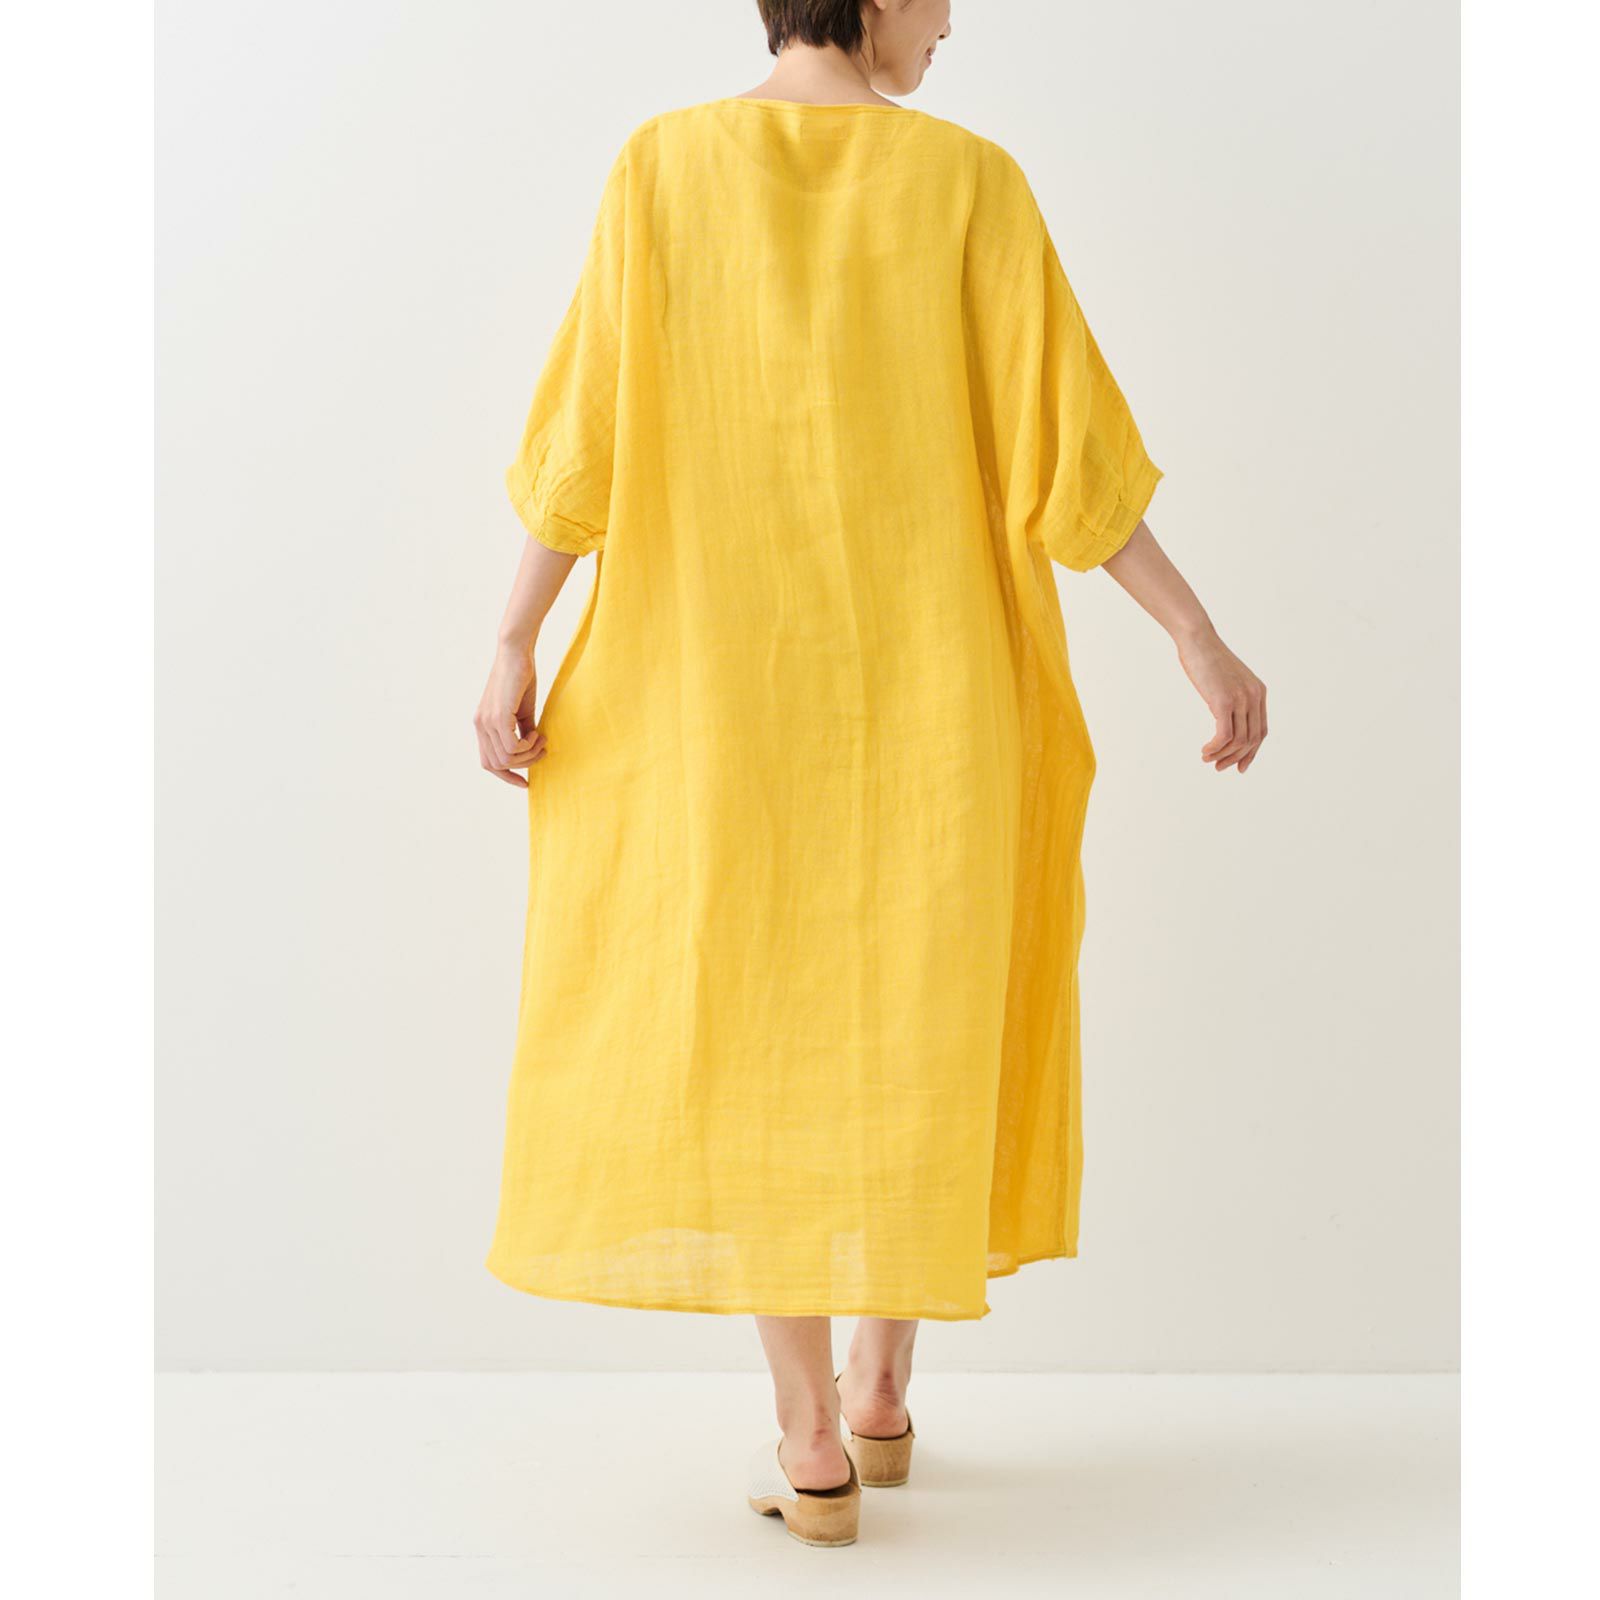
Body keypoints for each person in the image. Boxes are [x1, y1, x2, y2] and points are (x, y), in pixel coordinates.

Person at [474, 0, 1266, 1549]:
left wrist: (514, 635)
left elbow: (584, 438)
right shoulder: (968, 183)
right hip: (934, 708)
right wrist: (1195, 632)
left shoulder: (662, 169)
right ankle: (884, 1382)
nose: (952, 20)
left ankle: (814, 1438)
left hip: (719, 708)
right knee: (917, 1009)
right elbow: (1073, 459)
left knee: (753, 1032)